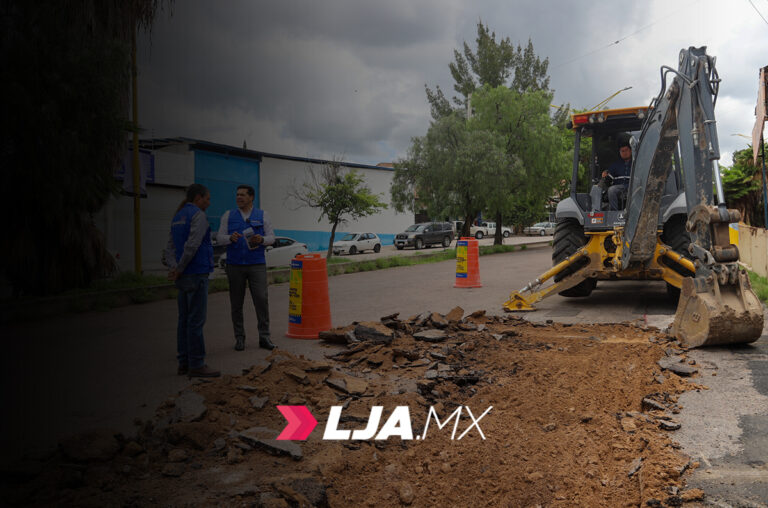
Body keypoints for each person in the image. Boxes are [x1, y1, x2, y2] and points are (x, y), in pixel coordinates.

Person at [163, 184, 220, 378]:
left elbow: (169, 248)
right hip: (196, 273)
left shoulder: (178, 216)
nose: (209, 202)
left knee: (184, 320)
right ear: (198, 198)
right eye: (207, 198)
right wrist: (179, 269)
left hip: (184, 277)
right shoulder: (199, 216)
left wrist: (174, 268)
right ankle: (197, 364)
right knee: (195, 321)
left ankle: (183, 362)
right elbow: (193, 245)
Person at [216, 185, 276, 351]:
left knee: (261, 300)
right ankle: (239, 338)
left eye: (242, 195)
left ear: (251, 197)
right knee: (236, 303)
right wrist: (230, 237)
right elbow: (219, 238)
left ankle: (264, 337)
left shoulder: (263, 215)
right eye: (237, 195)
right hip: (234, 265)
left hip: (256, 264)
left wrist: (261, 239)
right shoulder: (228, 215)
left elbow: (272, 237)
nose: (238, 197)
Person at [602, 142, 633, 210]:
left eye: (626, 150)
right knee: (611, 190)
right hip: (619, 187)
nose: (624, 152)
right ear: (620, 152)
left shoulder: (636, 163)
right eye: (622, 151)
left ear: (631, 151)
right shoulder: (615, 165)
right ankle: (614, 212)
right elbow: (608, 176)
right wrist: (605, 175)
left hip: (633, 186)